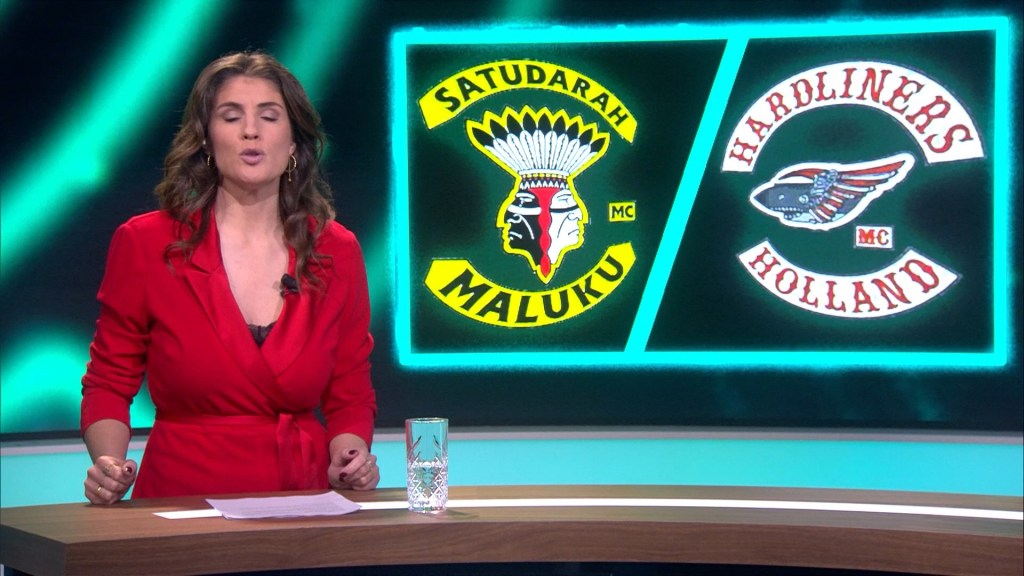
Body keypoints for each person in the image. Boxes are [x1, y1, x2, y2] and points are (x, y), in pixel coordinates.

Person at [80, 51, 379, 504]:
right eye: (231, 116)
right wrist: (108, 465)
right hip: (181, 500)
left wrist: (349, 456)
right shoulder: (147, 243)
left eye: (269, 117)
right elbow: (108, 380)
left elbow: (349, 390)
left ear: (294, 143)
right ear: (206, 139)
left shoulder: (336, 251)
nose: (250, 131)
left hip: (302, 503)